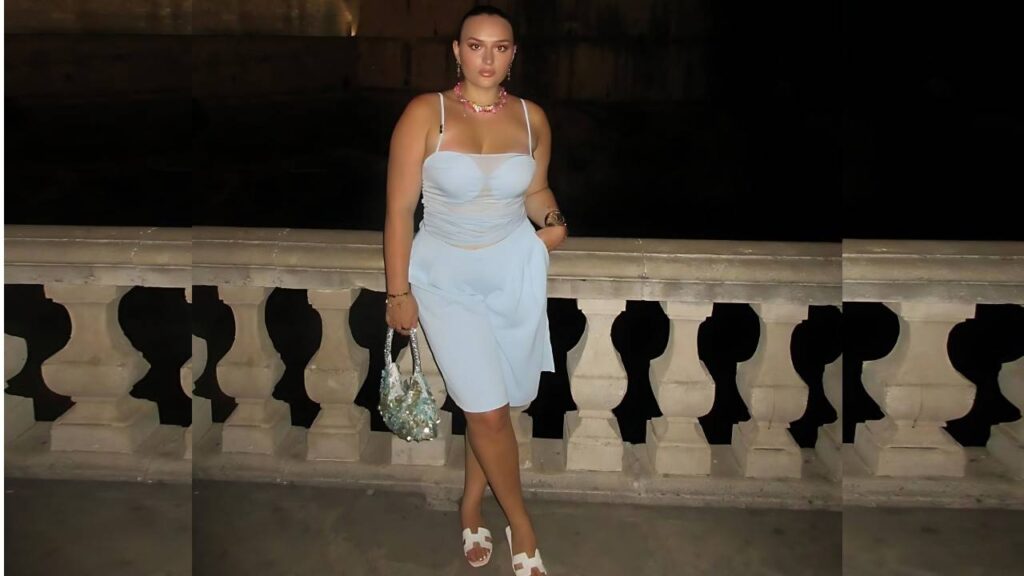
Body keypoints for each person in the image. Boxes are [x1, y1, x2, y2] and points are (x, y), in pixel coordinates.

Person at [382, 5, 566, 575]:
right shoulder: (425, 113)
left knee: (494, 403)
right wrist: (397, 292)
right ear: (457, 51)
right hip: (445, 280)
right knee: (486, 412)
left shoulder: (533, 118)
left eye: (501, 47)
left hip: (513, 271)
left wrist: (553, 220)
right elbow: (397, 209)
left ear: (514, 55)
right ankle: (522, 526)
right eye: (476, 45)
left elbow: (534, 190)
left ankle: (469, 508)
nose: (488, 57)